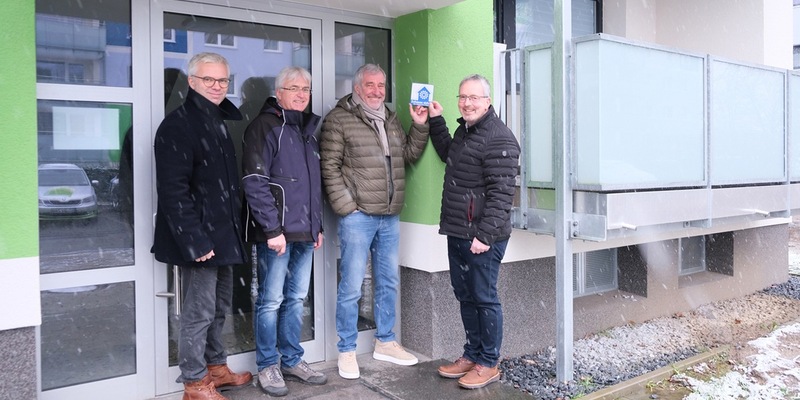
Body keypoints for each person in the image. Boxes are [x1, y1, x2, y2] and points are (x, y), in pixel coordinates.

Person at [152, 52, 252, 400]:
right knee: (198, 313)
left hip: (223, 236)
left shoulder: (217, 121)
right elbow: (173, 191)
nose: (216, 86)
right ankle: (194, 383)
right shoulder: (178, 125)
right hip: (200, 239)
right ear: (192, 82)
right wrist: (195, 241)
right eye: (208, 80)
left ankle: (216, 368)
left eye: (222, 80)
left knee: (219, 308)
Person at [320, 63, 429, 379]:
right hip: (359, 217)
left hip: (390, 215)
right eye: (370, 85)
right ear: (357, 88)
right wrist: (348, 208)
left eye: (381, 85)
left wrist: (420, 124)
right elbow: (330, 167)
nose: (377, 91)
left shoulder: (392, 119)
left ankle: (385, 341)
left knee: (388, 281)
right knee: (352, 286)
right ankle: (347, 349)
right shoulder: (339, 120)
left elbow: (407, 155)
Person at [425, 74, 520, 389]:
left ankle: (488, 361)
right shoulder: (465, 132)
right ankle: (472, 353)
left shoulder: (500, 138)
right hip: (458, 230)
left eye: (474, 98)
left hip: (483, 236)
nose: (467, 103)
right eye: (463, 97)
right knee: (465, 295)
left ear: (487, 101)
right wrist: (437, 122)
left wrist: (485, 236)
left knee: (484, 296)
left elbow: (502, 195)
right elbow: (450, 156)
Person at [241, 66, 326, 396]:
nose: (302, 94)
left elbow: (311, 185)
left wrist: (316, 226)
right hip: (276, 234)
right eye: (295, 88)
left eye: (306, 89)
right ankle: (267, 366)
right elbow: (255, 181)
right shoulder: (264, 126)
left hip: (305, 232)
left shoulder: (307, 130)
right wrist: (272, 229)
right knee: (271, 300)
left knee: (295, 299)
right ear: (279, 92)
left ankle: (292, 359)